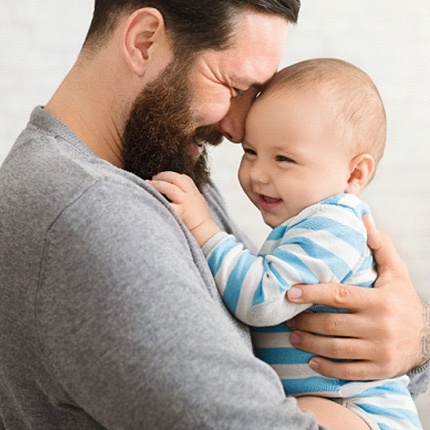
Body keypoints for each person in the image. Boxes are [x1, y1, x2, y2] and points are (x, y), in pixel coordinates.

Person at [0, 1, 428, 428]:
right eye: (234, 86)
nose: (239, 128)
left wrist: (416, 340)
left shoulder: (154, 170)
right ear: (144, 41)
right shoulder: (94, 213)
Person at [149, 58, 423, 429]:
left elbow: (262, 298)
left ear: (354, 173)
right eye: (250, 152)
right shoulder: (305, 226)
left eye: (283, 158)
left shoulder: (333, 224)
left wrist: (203, 228)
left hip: (360, 412)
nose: (258, 173)